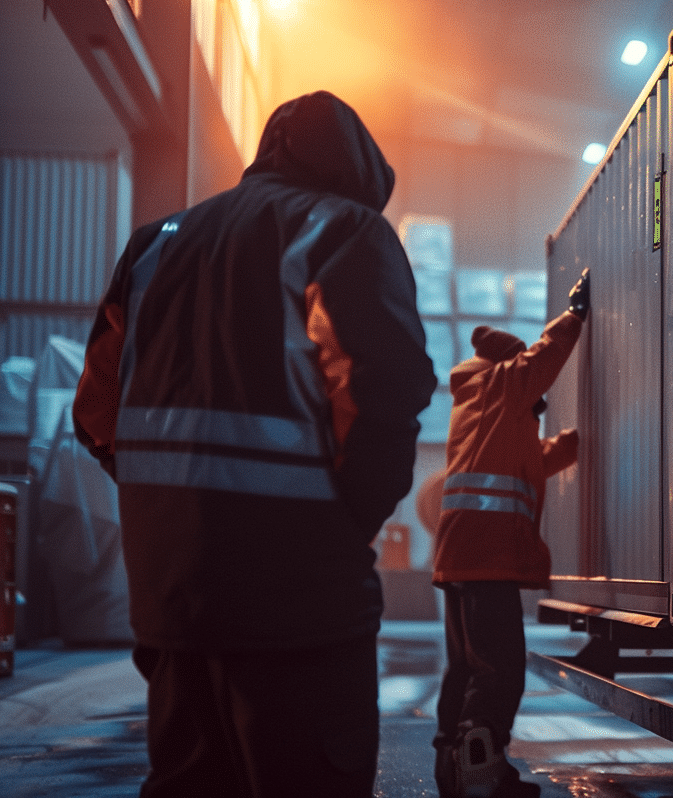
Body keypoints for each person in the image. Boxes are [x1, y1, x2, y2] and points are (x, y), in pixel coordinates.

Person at [72, 90, 437, 798]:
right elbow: (386, 388)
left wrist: (166, 511)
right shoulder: (345, 230)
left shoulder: (154, 244)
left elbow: (96, 412)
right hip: (300, 599)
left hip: (170, 595)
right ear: (359, 172)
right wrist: (348, 522)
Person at [427, 268, 590, 798]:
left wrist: (580, 441)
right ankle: (481, 774)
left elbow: (532, 462)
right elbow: (537, 363)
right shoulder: (498, 385)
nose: (538, 404)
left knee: (466, 669)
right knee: (500, 670)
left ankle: (455, 769)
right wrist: (574, 316)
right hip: (486, 553)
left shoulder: (481, 410)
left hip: (462, 556)